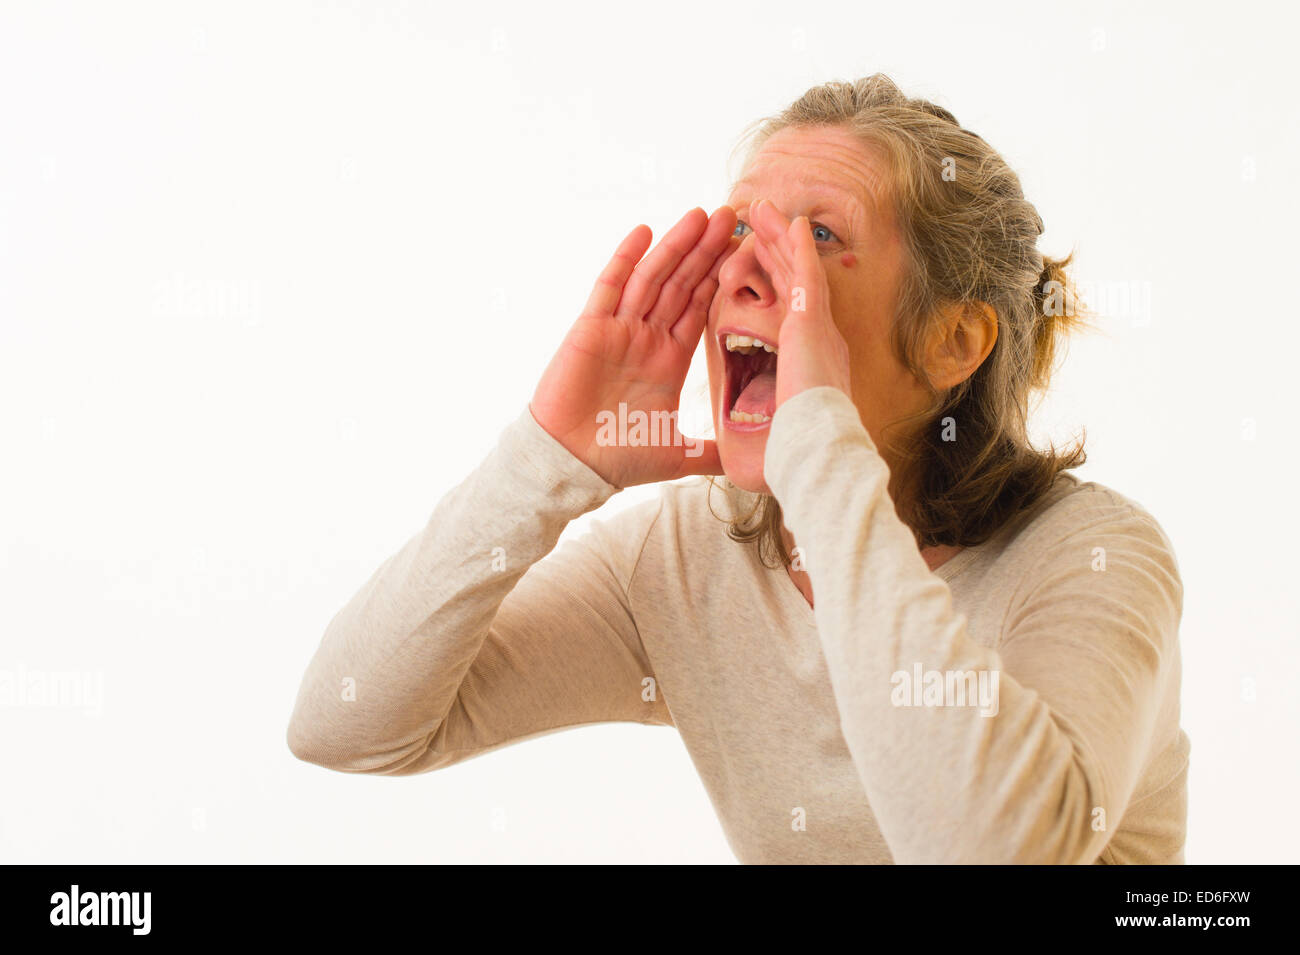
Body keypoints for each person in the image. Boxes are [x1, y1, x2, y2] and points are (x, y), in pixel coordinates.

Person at [287, 74, 1189, 864]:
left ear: (953, 340)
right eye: (744, 233)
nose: (748, 276)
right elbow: (347, 723)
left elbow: (996, 851)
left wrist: (818, 456)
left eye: (820, 239)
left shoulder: (1096, 556)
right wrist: (544, 460)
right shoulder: (686, 554)